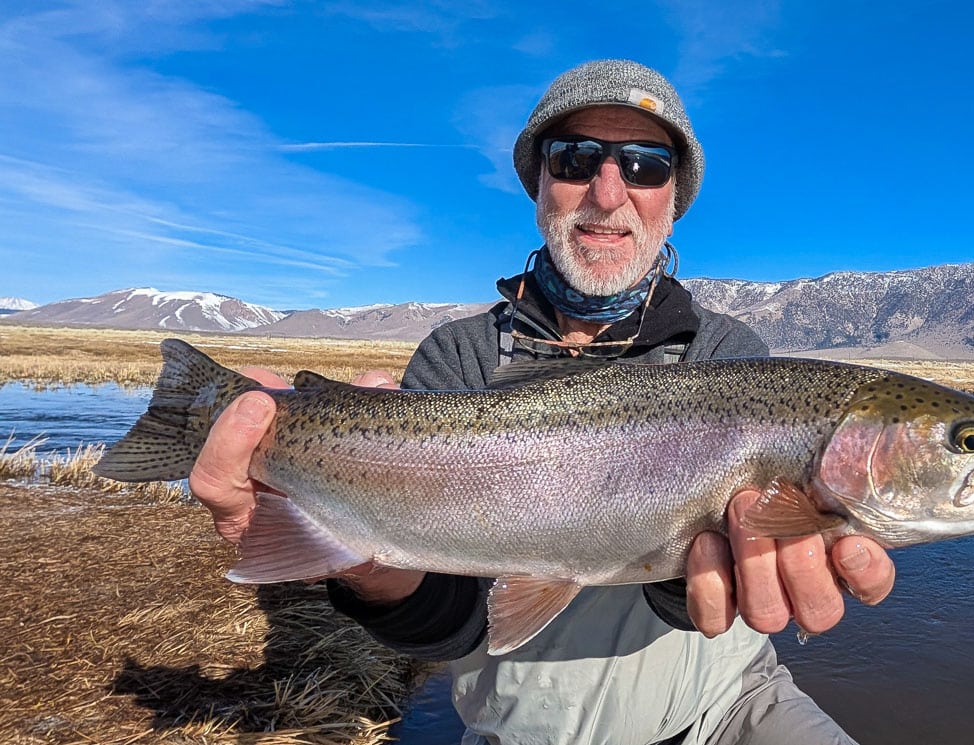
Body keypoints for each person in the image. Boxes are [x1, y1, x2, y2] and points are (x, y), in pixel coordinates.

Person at [188, 59, 896, 744]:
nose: (608, 192)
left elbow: (680, 593)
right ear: (539, 188)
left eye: (645, 165)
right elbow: (454, 623)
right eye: (576, 158)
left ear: (673, 201)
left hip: (729, 709)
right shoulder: (458, 355)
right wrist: (365, 561)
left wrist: (732, 571)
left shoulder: (725, 350)